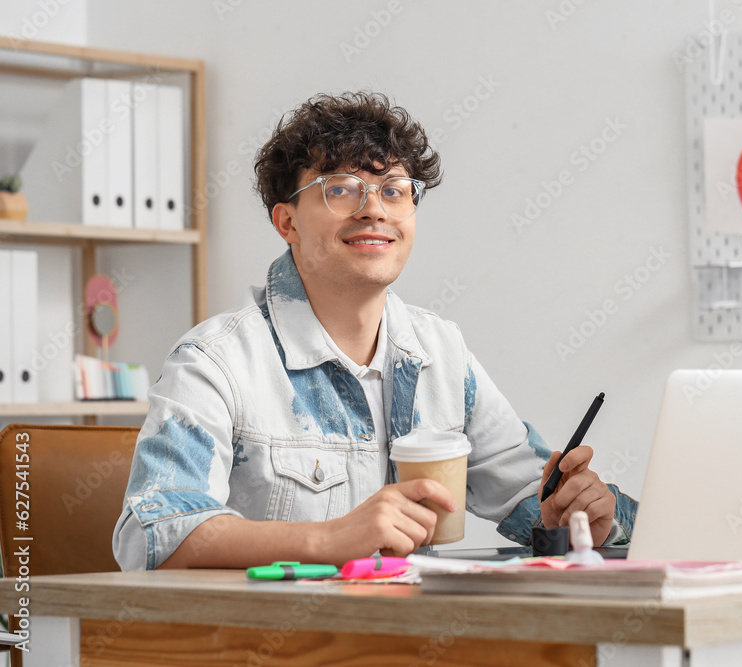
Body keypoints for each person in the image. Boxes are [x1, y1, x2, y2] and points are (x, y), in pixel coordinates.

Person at [112, 91, 637, 570]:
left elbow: (532, 498)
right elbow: (152, 535)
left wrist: (581, 516)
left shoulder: (440, 353)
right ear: (286, 222)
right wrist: (329, 539)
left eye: (394, 190)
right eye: (340, 189)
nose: (374, 210)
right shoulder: (216, 361)